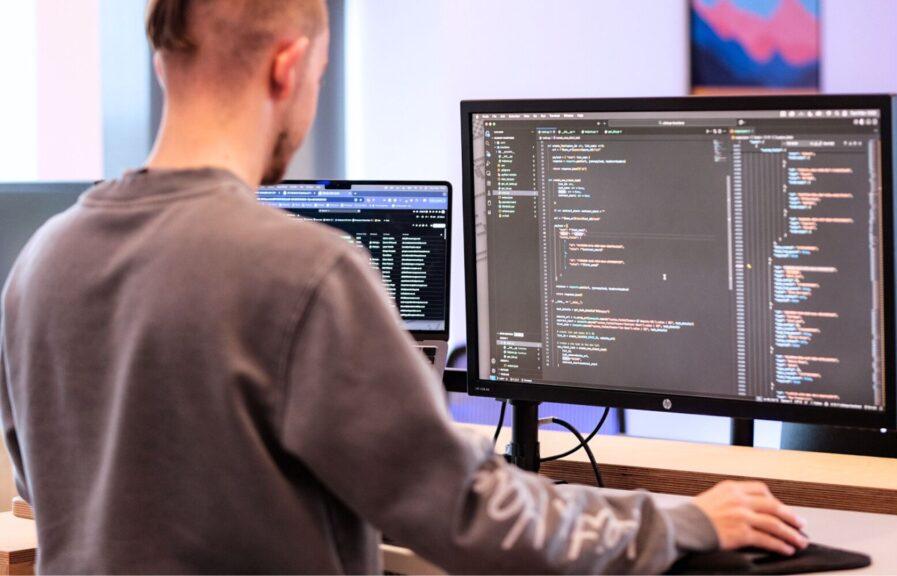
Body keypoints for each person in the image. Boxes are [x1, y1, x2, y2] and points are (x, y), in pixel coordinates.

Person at [0, 0, 808, 573]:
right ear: (288, 66)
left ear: (162, 60)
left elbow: (49, 484)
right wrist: (681, 520)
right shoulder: (300, 271)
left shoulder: (41, 263)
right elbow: (474, 517)